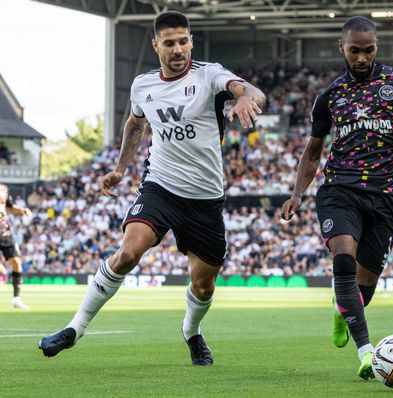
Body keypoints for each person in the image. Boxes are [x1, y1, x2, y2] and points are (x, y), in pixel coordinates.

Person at [39, 11, 266, 365]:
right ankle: (74, 328)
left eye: (183, 41)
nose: (178, 50)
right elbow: (134, 125)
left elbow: (247, 89)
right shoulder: (143, 85)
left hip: (205, 198)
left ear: (191, 41)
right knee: (129, 253)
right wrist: (119, 169)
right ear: (156, 44)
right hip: (160, 185)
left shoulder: (209, 75)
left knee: (204, 286)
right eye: (170, 43)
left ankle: (191, 330)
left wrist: (245, 97)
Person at [280, 16, 393, 379]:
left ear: (377, 46)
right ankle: (367, 352)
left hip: (388, 194)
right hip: (340, 188)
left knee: (365, 285)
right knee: (343, 256)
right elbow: (312, 153)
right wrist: (296, 195)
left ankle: (343, 308)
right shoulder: (329, 97)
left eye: (368, 49)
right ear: (342, 48)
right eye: (354, 50)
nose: (361, 57)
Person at [0, 184, 32, 309]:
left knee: (16, 263)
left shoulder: (4, 189)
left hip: (5, 233)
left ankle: (16, 299)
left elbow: (10, 207)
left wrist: (22, 210)